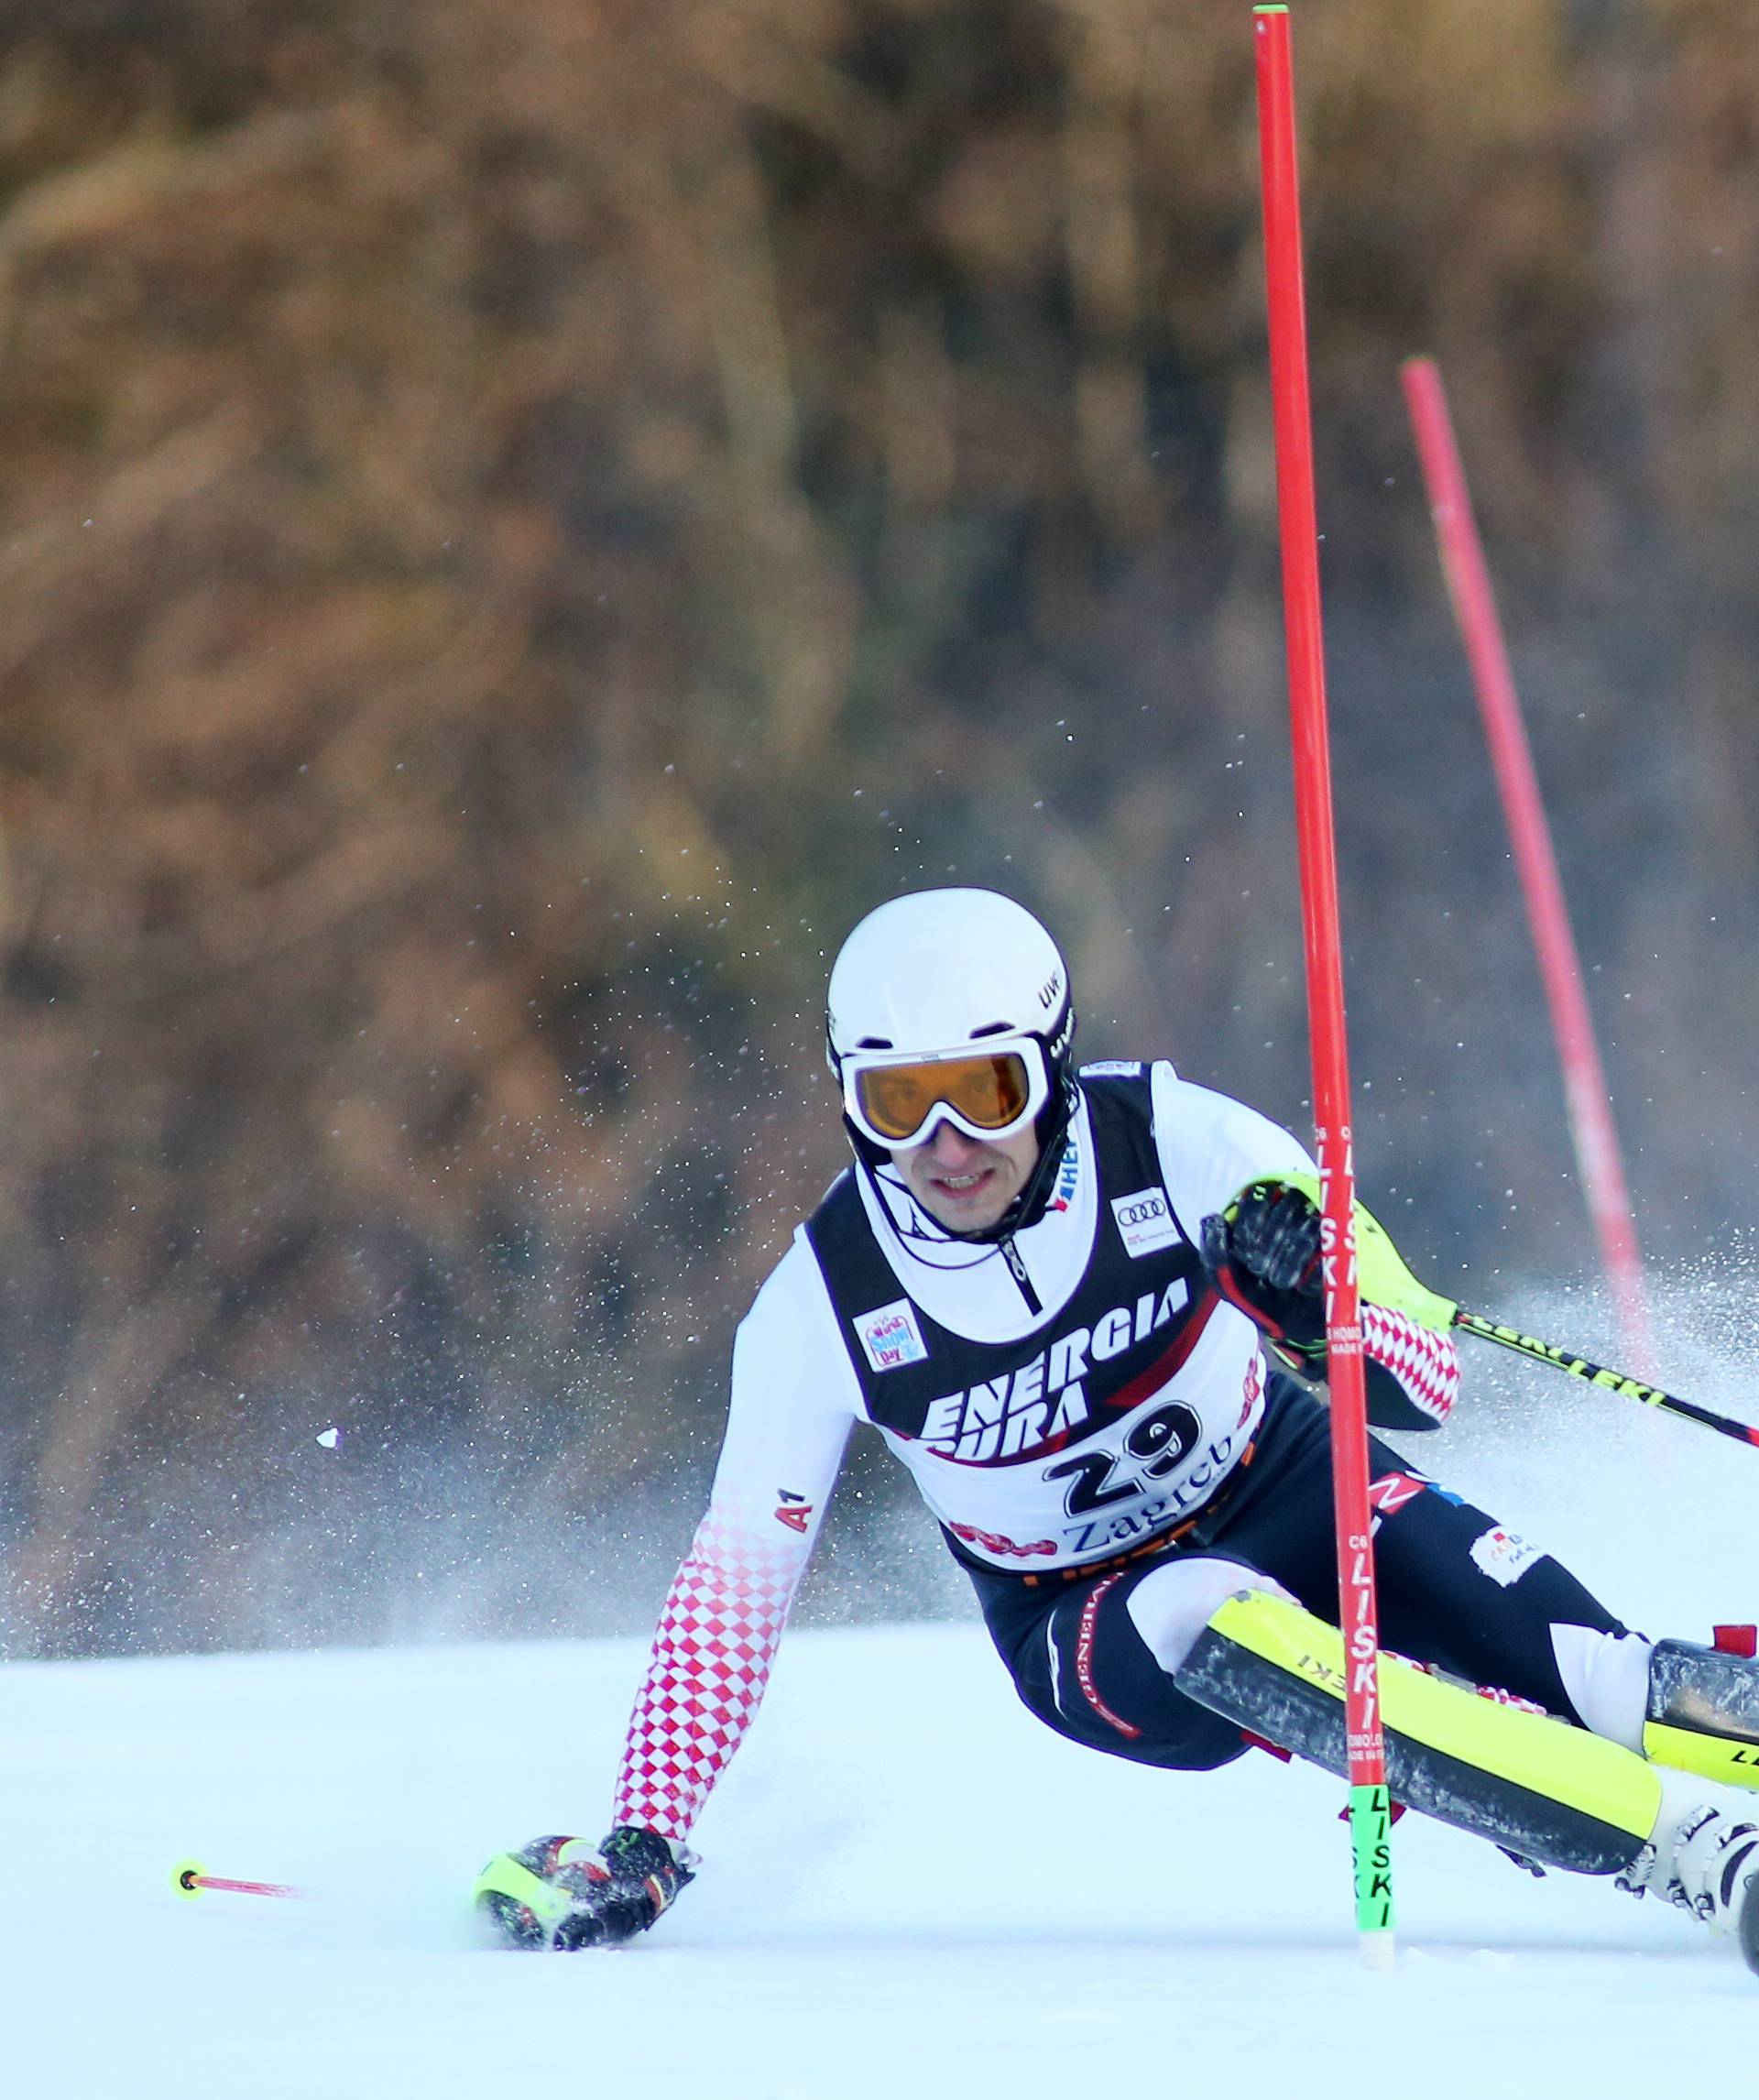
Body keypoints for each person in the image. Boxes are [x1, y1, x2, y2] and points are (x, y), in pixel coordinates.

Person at [473, 886, 1759, 1966]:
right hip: (1090, 1621)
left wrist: (1323, 1307)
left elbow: (1426, 1381)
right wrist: (647, 1830)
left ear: (1050, 1063)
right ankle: (1690, 1856)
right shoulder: (823, 1306)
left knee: (1606, 1678)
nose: (943, 1145)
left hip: (1294, 1484)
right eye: (893, 1099)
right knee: (1207, 1609)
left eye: (982, 1090)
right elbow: (733, 1590)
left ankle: (1647, 1751)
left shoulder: (1184, 1144)